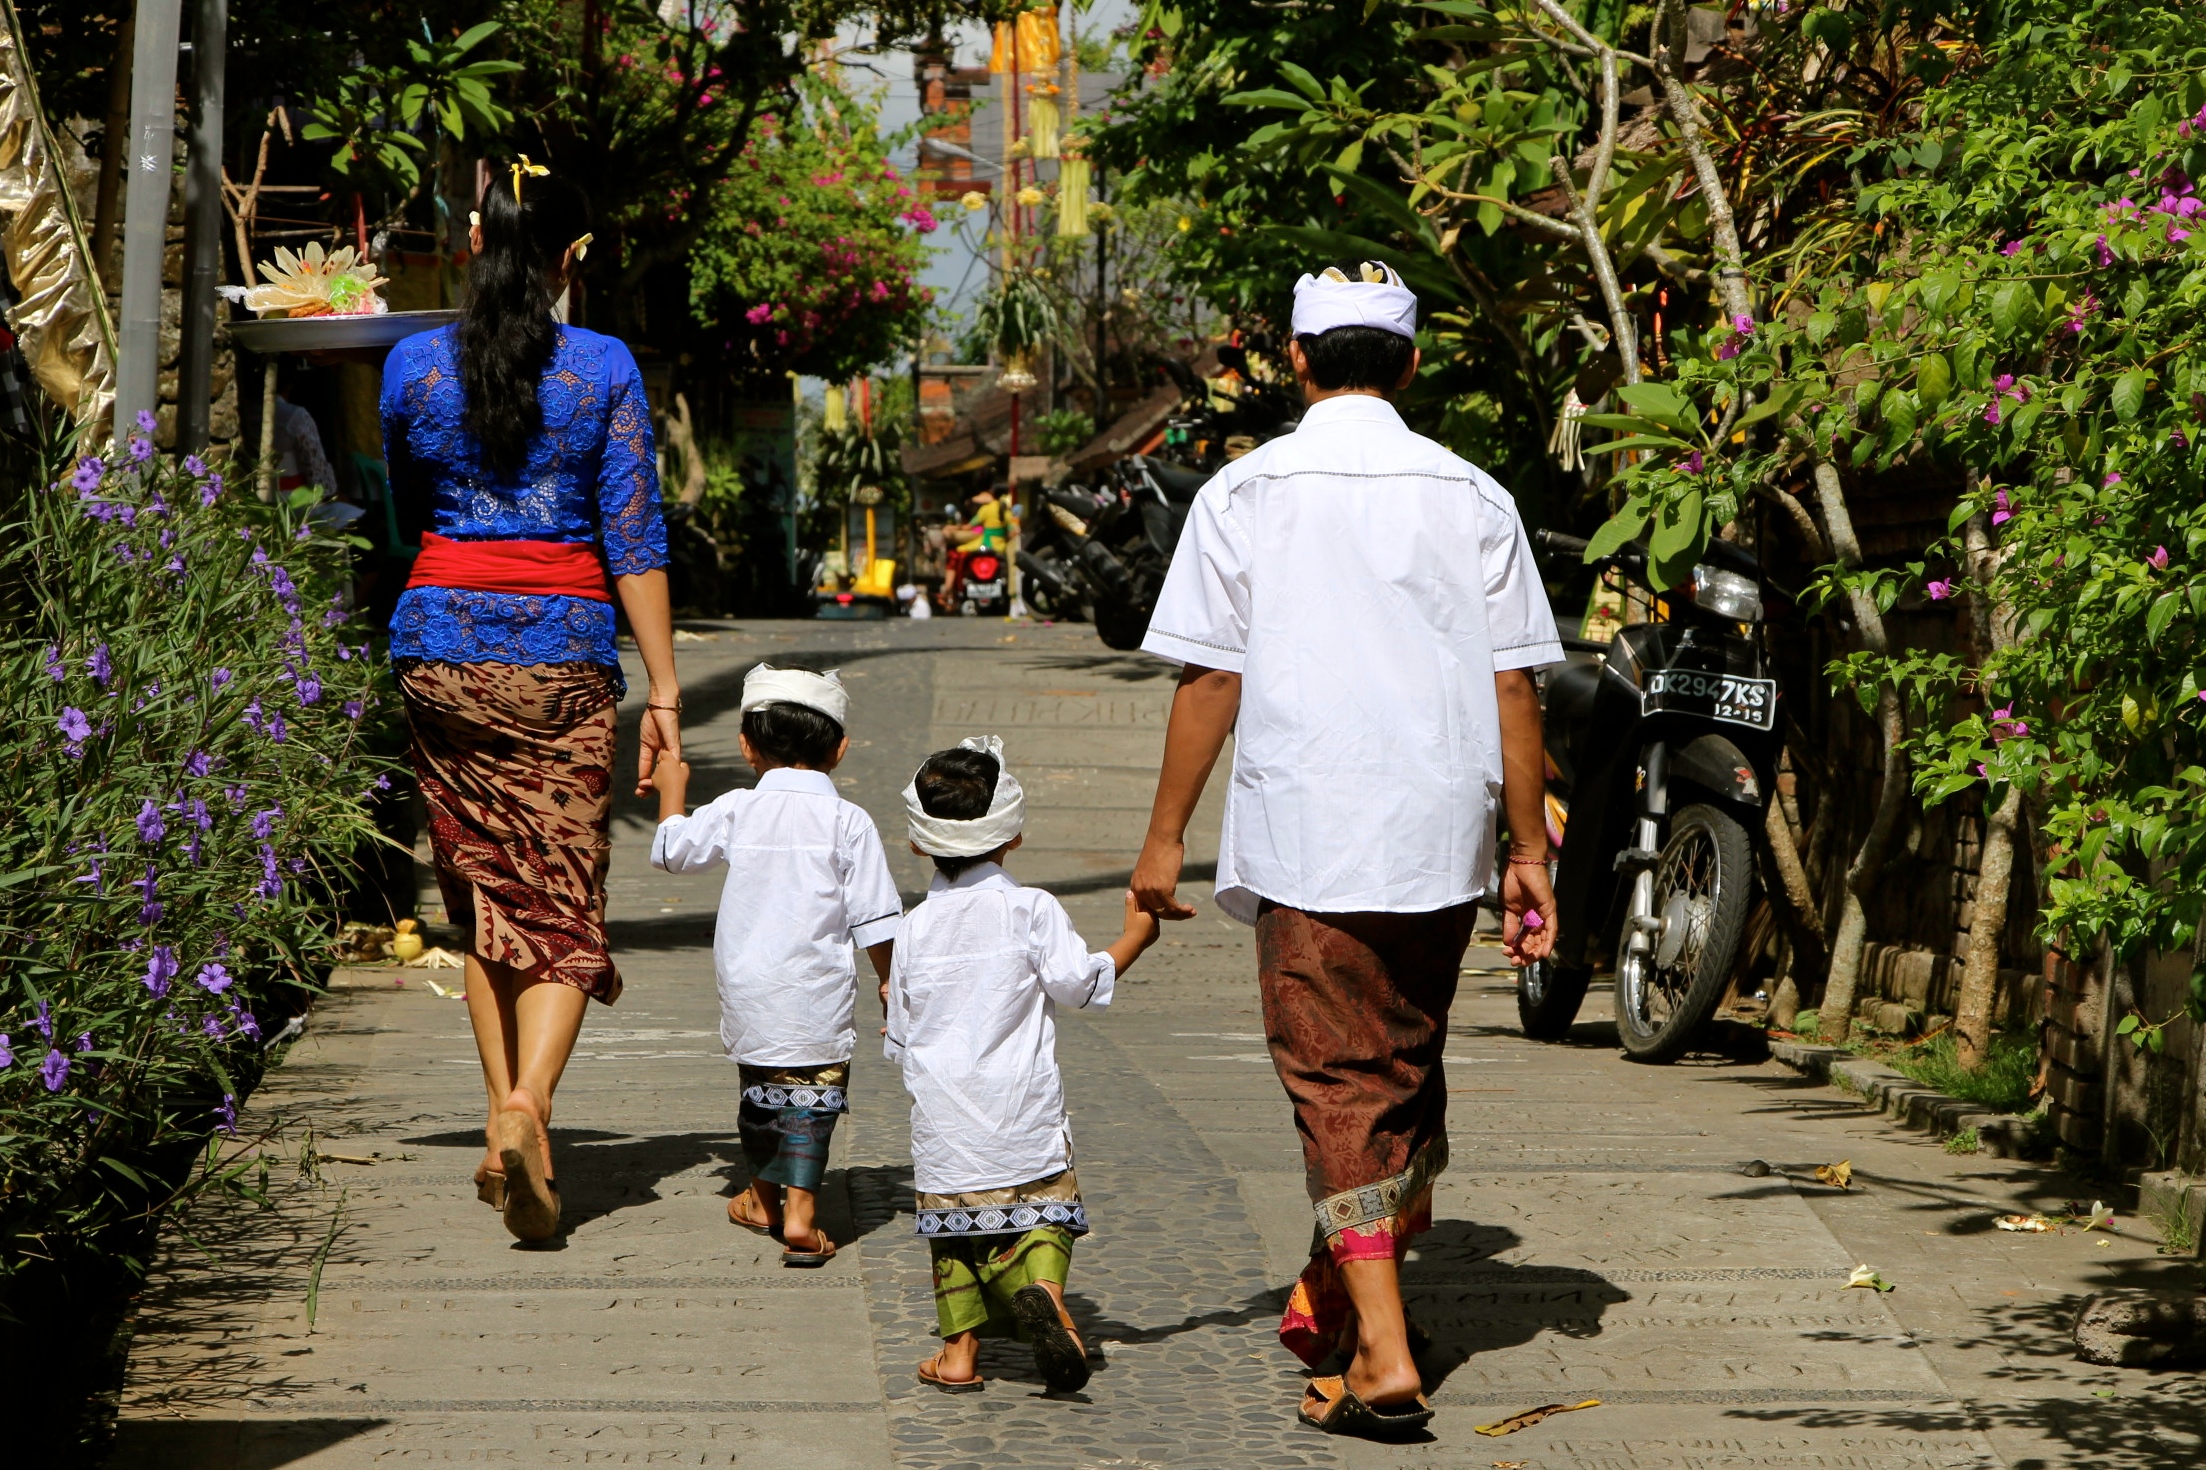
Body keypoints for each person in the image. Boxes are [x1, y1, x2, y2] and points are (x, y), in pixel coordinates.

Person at [1130, 261, 1563, 1438]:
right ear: (1409, 365)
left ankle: (1383, 1358)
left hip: (1308, 835)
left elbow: (1209, 679)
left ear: (1297, 359)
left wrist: (1162, 840)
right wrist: (1528, 849)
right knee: (1400, 1067)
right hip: (1437, 837)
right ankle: (1334, 1290)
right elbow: (1513, 686)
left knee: (1336, 1081)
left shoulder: (1245, 492)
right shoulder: (1473, 495)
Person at [380, 163, 676, 1244]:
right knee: (558, 896)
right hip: (561, 660)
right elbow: (633, 536)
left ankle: (505, 1129)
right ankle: (528, 1107)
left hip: (440, 650)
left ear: (474, 241)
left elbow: (408, 510)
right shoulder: (603, 368)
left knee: (483, 896)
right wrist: (666, 694)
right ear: (572, 256)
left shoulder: (411, 366)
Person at [886, 737, 1159, 1395]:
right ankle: (1045, 1291)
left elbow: (901, 1035)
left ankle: (958, 1355)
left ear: (919, 844)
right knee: (1043, 1211)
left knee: (953, 1237)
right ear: (1012, 834)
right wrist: (1136, 937)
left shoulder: (913, 928)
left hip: (945, 1116)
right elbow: (1079, 986)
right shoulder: (1031, 908)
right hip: (1021, 1106)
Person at [647, 663, 902, 1267]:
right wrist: (891, 980)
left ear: (746, 746)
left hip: (750, 984)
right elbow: (876, 917)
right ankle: (800, 1214)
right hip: (816, 987)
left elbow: (671, 852)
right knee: (813, 1093)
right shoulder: (849, 821)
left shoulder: (737, 808)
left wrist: (671, 787)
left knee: (760, 1089)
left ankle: (763, 1200)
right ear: (839, 749)